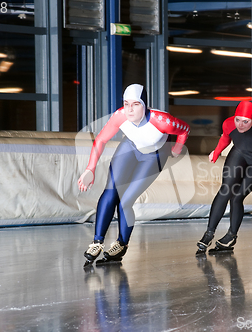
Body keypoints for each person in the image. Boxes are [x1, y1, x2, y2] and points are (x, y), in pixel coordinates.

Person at [78, 84, 190, 266]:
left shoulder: (162, 120)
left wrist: (176, 148)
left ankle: (121, 244)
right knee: (111, 190)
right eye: (126, 103)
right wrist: (90, 168)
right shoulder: (120, 115)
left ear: (145, 105)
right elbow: (101, 139)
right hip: (130, 146)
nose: (129, 109)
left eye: (136, 104)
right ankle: (97, 242)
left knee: (125, 200)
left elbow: (185, 130)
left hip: (155, 154)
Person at [196, 100, 252, 255]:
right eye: (237, 120)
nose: (240, 125)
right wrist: (217, 151)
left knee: (237, 197)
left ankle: (231, 236)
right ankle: (208, 234)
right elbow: (226, 137)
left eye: (246, 121)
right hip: (240, 153)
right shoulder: (228, 123)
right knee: (225, 190)